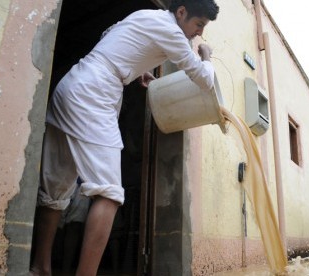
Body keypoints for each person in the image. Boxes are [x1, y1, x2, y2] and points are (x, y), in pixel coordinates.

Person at [30, 0, 220, 275]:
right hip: (94, 95)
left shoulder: (148, 15)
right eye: (199, 24)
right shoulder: (173, 32)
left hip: (73, 84)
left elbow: (110, 34)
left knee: (55, 189)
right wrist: (206, 56)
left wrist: (134, 69)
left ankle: (40, 268)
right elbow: (204, 80)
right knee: (109, 194)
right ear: (181, 12)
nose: (198, 33)